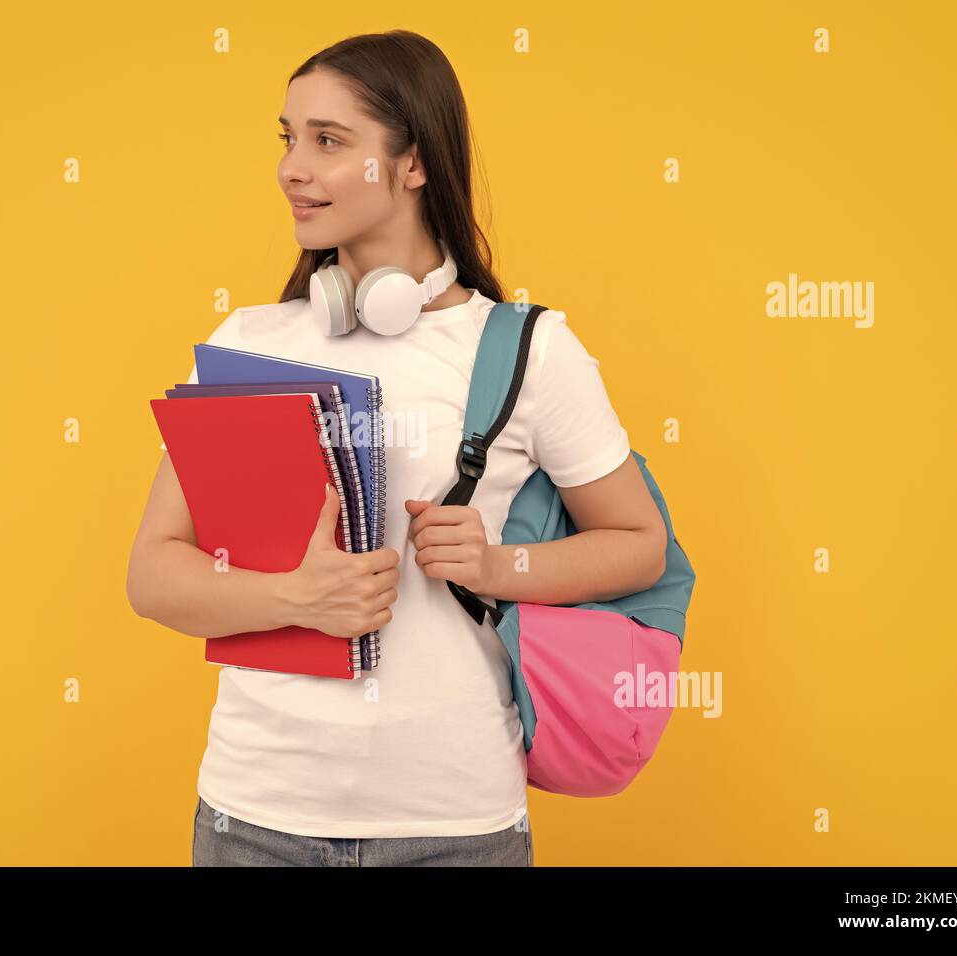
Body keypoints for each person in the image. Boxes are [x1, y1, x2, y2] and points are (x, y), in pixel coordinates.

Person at [126, 30, 668, 867]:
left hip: (455, 825)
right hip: (254, 817)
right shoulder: (250, 341)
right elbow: (153, 574)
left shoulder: (528, 349)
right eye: (289, 138)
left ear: (412, 164)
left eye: (328, 141)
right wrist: (297, 598)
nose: (291, 168)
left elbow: (640, 546)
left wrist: (498, 569)